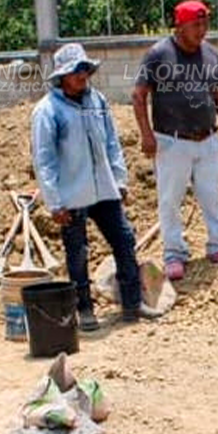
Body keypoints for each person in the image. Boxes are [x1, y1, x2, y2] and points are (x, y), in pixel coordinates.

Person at [31, 42, 159, 330]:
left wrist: (120, 179)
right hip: (71, 194)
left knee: (124, 241)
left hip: (104, 188)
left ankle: (131, 303)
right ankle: (84, 309)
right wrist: (54, 202)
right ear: (62, 76)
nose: (82, 75)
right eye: (76, 71)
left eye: (85, 70)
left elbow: (112, 143)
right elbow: (44, 160)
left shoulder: (97, 101)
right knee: (77, 253)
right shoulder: (48, 111)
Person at [132, 0, 218, 281]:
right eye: (196, 25)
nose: (202, 30)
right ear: (179, 26)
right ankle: (174, 254)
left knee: (211, 195)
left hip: (208, 139)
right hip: (172, 142)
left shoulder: (211, 55)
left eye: (205, 23)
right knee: (170, 200)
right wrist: (146, 135)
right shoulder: (158, 55)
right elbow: (139, 95)